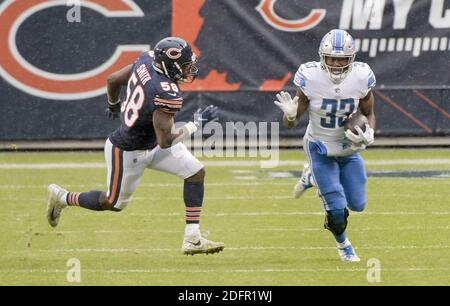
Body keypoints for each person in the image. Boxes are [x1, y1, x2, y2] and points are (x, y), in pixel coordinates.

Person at [47, 37, 224, 256]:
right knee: (113, 203)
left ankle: (193, 239)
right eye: (186, 65)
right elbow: (166, 141)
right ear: (170, 65)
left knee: (195, 172)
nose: (190, 69)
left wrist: (113, 105)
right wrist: (195, 124)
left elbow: (113, 79)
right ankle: (63, 197)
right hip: (129, 150)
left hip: (152, 141)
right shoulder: (166, 91)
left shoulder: (148, 60)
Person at [274, 29, 376, 262]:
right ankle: (345, 247)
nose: (336, 64)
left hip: (349, 150)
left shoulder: (362, 76)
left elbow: (369, 113)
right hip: (319, 146)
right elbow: (290, 124)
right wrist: (290, 116)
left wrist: (369, 134)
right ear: (322, 57)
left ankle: (310, 178)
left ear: (352, 59)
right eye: (331, 58)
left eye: (342, 59)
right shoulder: (310, 76)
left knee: (358, 204)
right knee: (337, 208)